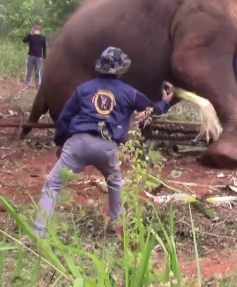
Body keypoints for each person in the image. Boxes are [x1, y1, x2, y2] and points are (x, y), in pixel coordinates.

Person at [25, 47, 173, 244]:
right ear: (121, 69)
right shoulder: (130, 92)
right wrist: (165, 102)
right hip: (108, 146)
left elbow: (64, 118)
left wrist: (60, 143)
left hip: (79, 143)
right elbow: (151, 110)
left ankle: (37, 234)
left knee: (53, 185)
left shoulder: (84, 89)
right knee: (115, 183)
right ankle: (116, 225)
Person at [22, 24, 47, 88]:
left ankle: (38, 84)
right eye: (35, 29)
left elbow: (44, 48)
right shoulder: (31, 36)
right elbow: (24, 40)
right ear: (34, 29)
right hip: (31, 56)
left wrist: (44, 57)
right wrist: (30, 34)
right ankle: (27, 83)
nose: (36, 30)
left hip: (39, 57)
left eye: (38, 29)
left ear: (40, 30)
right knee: (29, 71)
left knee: (37, 71)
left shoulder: (42, 38)